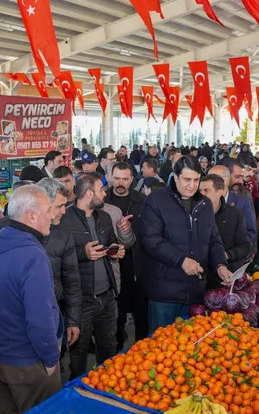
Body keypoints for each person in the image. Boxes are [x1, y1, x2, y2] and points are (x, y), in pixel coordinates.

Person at [0, 185, 62, 414]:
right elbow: (39, 317)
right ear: (31, 216)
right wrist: (50, 358)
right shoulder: (32, 255)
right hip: (27, 359)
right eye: (48, 210)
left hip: (0, 351)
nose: (53, 216)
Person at [141, 156, 233, 332]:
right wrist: (182, 260)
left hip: (195, 291)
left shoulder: (204, 204)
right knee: (161, 344)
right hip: (164, 293)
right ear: (175, 177)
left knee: (189, 343)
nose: (192, 185)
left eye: (196, 180)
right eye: (187, 179)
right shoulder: (156, 201)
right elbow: (151, 240)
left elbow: (213, 239)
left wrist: (220, 265)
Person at [59, 173, 123, 379]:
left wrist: (115, 250)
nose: (104, 193)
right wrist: (83, 254)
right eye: (101, 190)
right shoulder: (64, 220)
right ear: (88, 194)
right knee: (79, 351)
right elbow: (57, 258)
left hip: (107, 296)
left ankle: (107, 383)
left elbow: (110, 243)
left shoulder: (104, 217)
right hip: (82, 299)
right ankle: (77, 386)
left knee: (109, 345)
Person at [105, 163, 149, 344]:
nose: (120, 183)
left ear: (132, 179)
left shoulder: (142, 201)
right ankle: (117, 346)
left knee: (140, 310)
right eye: (117, 178)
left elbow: (150, 232)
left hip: (137, 263)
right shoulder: (102, 201)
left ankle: (143, 345)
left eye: (125, 179)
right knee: (116, 311)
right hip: (111, 264)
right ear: (109, 178)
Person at [199, 174, 251, 287]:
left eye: (206, 190)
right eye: (200, 190)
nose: (201, 194)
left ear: (220, 191)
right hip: (195, 277)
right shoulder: (193, 213)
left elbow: (245, 246)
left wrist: (227, 255)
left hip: (220, 280)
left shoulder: (235, 214)